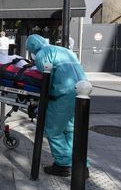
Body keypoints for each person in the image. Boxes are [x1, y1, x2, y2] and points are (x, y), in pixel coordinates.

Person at [26, 34, 88, 177]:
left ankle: (63, 164)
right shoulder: (64, 50)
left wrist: (44, 97)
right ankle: (82, 166)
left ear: (31, 48)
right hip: (81, 90)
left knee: (53, 130)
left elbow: (46, 80)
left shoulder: (42, 54)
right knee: (72, 130)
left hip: (62, 93)